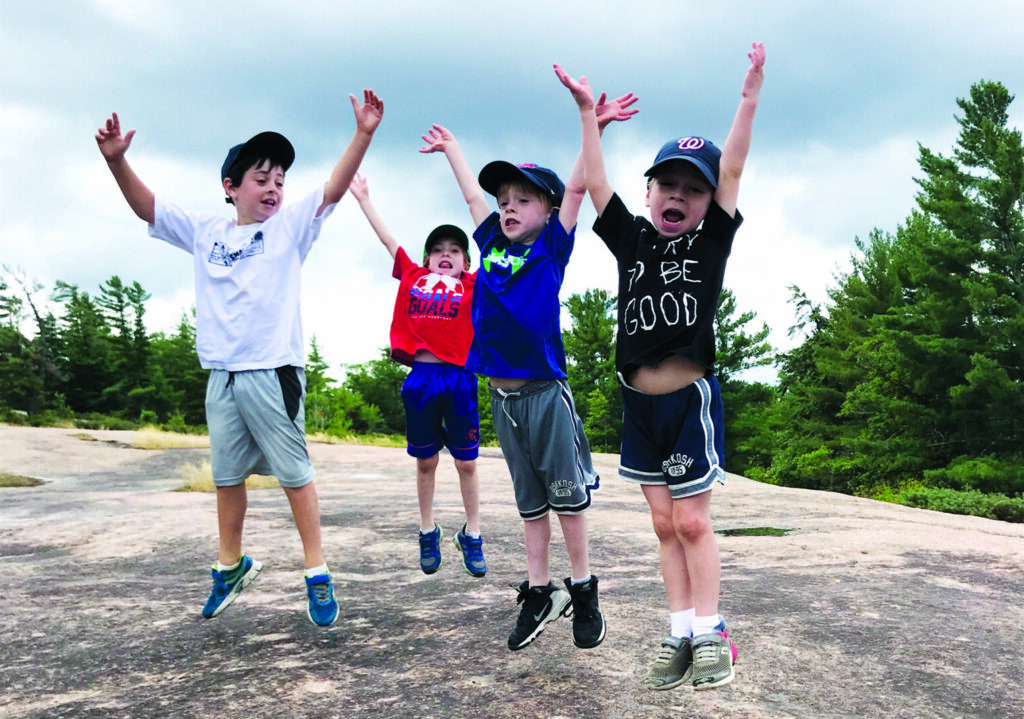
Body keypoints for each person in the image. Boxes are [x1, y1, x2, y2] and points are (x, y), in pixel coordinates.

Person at [94, 89, 384, 628]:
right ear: (231, 187)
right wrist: (117, 161)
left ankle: (316, 572)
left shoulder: (290, 227)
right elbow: (147, 207)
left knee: (295, 475)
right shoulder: (207, 230)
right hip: (221, 374)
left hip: (272, 371)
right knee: (227, 477)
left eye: (279, 180)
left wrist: (363, 134)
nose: (274, 188)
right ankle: (230, 565)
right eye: (261, 179)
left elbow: (333, 187)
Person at [556, 42, 765, 689]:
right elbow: (594, 184)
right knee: (662, 522)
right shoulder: (634, 239)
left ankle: (712, 631)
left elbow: (730, 169)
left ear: (706, 203)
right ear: (649, 193)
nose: (678, 195)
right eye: (667, 184)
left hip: (688, 398)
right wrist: (590, 114)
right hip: (639, 404)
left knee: (694, 519)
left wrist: (749, 96)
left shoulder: (709, 243)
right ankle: (679, 631)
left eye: (692, 189)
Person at [419, 89, 635, 652]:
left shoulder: (551, 248)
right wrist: (453, 149)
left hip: (545, 395)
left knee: (566, 499)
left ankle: (583, 588)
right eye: (505, 199)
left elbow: (580, 186)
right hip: (502, 399)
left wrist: (594, 122)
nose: (508, 207)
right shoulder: (489, 240)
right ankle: (541, 591)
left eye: (523, 199)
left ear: (546, 210)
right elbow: (472, 194)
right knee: (529, 503)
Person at [348, 172, 485, 578]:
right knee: (426, 461)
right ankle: (428, 530)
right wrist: (364, 199)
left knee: (467, 464)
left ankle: (472, 533)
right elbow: (389, 241)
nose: (446, 255)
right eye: (438, 250)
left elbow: (495, 244)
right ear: (426, 260)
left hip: (460, 380)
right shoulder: (413, 276)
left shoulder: (475, 286)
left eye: (456, 250)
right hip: (422, 380)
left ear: (467, 262)